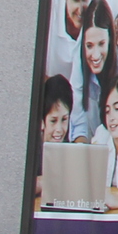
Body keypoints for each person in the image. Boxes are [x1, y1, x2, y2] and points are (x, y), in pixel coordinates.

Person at [68, 0, 118, 141]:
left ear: (110, 40)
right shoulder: (79, 56)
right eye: (89, 46)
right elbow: (78, 119)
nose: (95, 55)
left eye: (101, 44)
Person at [35, 74, 74, 205]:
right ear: (41, 122)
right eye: (53, 121)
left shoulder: (70, 150)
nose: (59, 129)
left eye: (64, 120)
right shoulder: (31, 150)